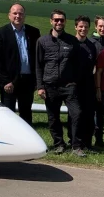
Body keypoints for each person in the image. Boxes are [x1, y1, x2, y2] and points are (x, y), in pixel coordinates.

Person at [35, 9, 84, 157]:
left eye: (61, 20)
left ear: (65, 22)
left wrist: (75, 81)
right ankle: (59, 144)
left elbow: (77, 64)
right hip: (50, 85)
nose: (59, 22)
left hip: (69, 86)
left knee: (77, 114)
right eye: (56, 20)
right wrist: (40, 86)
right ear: (51, 21)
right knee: (53, 117)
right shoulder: (42, 41)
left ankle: (76, 145)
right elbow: (38, 65)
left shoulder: (72, 41)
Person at [0, 3, 40, 125]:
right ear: (9, 15)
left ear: (24, 16)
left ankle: (26, 141)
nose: (18, 16)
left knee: (26, 112)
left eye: (20, 13)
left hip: (28, 80)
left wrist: (36, 80)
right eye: (15, 13)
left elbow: (37, 57)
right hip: (9, 82)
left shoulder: (33, 32)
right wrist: (5, 81)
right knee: (8, 113)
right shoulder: (1, 33)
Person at [73, 15, 99, 150]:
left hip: (88, 85)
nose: (83, 29)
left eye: (86, 27)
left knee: (89, 115)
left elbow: (94, 65)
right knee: (76, 115)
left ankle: (87, 143)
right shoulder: (71, 43)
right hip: (73, 85)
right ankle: (75, 143)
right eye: (81, 26)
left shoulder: (91, 46)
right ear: (76, 27)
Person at [92, 15, 104, 148]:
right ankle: (87, 138)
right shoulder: (90, 42)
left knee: (100, 113)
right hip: (91, 83)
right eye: (100, 26)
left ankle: (99, 139)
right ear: (95, 27)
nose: (102, 28)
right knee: (90, 113)